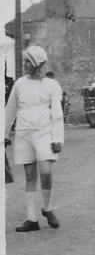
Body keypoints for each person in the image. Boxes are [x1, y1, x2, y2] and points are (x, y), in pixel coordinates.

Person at [4, 46, 64, 231]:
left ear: (38, 63)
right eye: (24, 62)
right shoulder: (20, 84)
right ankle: (31, 219)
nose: (25, 65)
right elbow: (10, 110)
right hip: (24, 133)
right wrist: (4, 134)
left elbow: (57, 113)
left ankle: (47, 208)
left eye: (28, 62)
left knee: (45, 171)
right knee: (30, 175)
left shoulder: (52, 85)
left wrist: (57, 138)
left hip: (44, 134)